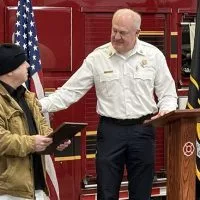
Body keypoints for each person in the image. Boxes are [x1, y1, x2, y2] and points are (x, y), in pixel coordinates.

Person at [39, 8, 178, 200]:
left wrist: (167, 111)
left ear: (137, 32)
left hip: (143, 130)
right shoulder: (97, 58)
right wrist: (36, 106)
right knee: (106, 191)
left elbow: (168, 94)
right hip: (110, 131)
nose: (116, 36)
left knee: (142, 191)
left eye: (123, 32)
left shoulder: (153, 56)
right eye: (114, 30)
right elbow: (69, 92)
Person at [0, 43, 70, 200]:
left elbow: (42, 127)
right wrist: (32, 143)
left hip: (36, 187)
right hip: (8, 191)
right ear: (10, 70)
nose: (28, 65)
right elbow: (2, 140)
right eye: (22, 62)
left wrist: (54, 140)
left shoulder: (28, 97)